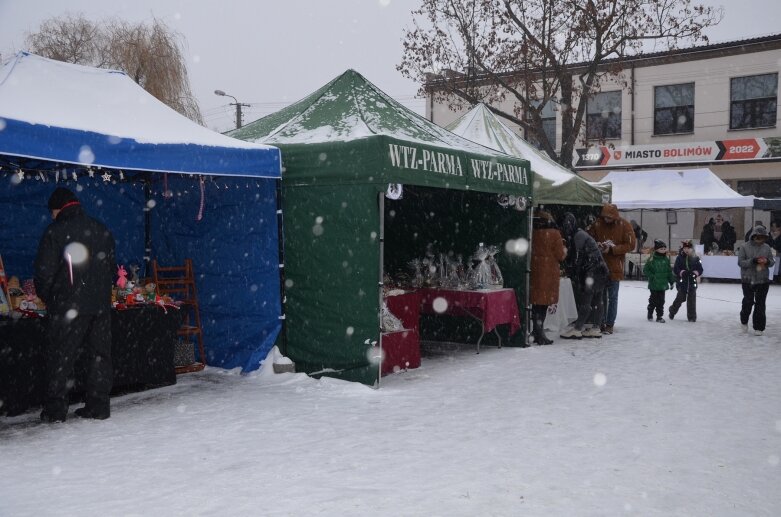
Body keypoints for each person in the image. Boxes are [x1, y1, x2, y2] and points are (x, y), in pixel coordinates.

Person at [34, 187, 116, 422]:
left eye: (52, 212)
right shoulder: (101, 228)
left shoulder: (55, 232)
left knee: (61, 358)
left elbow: (44, 274)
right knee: (99, 356)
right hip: (100, 306)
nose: (51, 216)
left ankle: (56, 410)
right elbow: (111, 267)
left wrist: (52, 298)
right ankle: (98, 405)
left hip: (68, 306)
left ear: (58, 208)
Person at [558, 212, 609, 339]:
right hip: (600, 269)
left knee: (587, 299)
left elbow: (578, 258)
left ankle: (578, 328)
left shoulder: (578, 236)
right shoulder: (581, 233)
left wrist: (573, 270)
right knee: (598, 300)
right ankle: (596, 327)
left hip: (592, 270)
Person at [587, 203, 636, 334]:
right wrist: (596, 244)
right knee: (602, 296)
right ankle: (601, 322)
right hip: (602, 266)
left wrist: (613, 249)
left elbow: (631, 245)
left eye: (609, 217)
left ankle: (609, 324)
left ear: (614, 217)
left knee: (612, 297)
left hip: (615, 266)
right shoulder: (598, 224)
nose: (607, 220)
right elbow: (590, 237)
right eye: (605, 217)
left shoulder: (624, 225)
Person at [529, 210, 567, 345]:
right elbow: (560, 255)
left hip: (534, 271)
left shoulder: (532, 232)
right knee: (543, 304)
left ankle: (536, 330)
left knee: (536, 303)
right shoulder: (555, 234)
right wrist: (565, 250)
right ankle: (540, 334)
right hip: (548, 273)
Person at [737, 225, 775, 336]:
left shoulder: (767, 247)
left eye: (763, 238)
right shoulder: (744, 247)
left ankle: (759, 327)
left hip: (763, 279)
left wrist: (767, 261)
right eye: (758, 237)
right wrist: (753, 261)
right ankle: (744, 320)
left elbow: (772, 262)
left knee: (760, 304)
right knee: (748, 302)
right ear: (753, 236)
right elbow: (740, 263)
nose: (760, 240)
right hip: (747, 279)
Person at [668, 239, 703, 322]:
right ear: (683, 249)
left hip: (692, 283)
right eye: (685, 248)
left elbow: (700, 269)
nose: (687, 250)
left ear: (692, 249)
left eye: (689, 248)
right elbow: (676, 269)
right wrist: (682, 272)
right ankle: (672, 310)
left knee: (691, 300)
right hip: (682, 282)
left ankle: (692, 317)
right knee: (680, 298)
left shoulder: (696, 258)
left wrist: (695, 273)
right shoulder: (679, 258)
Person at [643, 240, 675, 322]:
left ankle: (659, 316)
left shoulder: (666, 260)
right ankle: (650, 313)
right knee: (653, 301)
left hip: (663, 285)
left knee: (661, 301)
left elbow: (669, 272)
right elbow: (646, 270)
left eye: (665, 248)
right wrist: (652, 276)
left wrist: (671, 281)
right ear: (656, 249)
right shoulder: (652, 259)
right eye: (661, 248)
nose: (663, 250)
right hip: (654, 284)